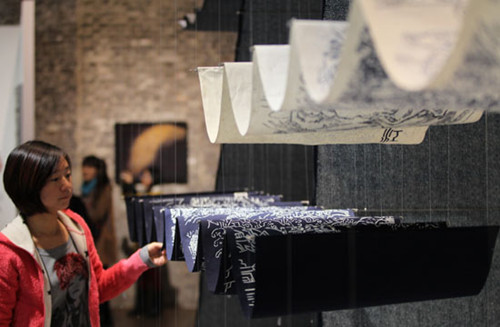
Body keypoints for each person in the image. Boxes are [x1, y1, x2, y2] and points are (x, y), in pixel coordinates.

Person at [0, 140, 167, 326]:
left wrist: (142, 258)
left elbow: (98, 287)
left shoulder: (75, 226)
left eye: (68, 175)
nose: (67, 186)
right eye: (55, 179)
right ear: (29, 184)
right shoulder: (9, 251)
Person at [80, 155, 118, 326]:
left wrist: (80, 208)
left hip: (101, 242)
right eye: (83, 166)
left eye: (88, 167)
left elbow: (98, 214)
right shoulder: (85, 188)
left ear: (97, 170)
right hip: (90, 241)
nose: (84, 170)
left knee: (100, 287)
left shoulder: (103, 188)